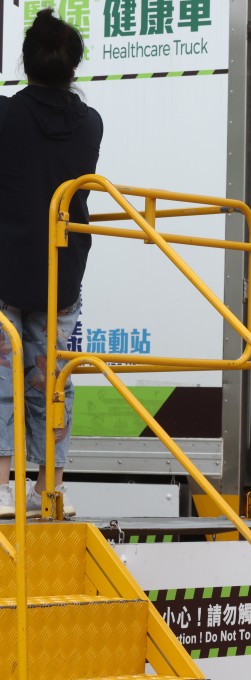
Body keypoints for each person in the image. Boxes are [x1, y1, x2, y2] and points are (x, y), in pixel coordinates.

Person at [0, 9, 103, 519]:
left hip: (5, 268)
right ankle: (51, 490)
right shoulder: (90, 124)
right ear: (74, 67)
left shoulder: (5, 115)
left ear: (27, 61)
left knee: (1, 381)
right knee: (53, 383)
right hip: (61, 270)